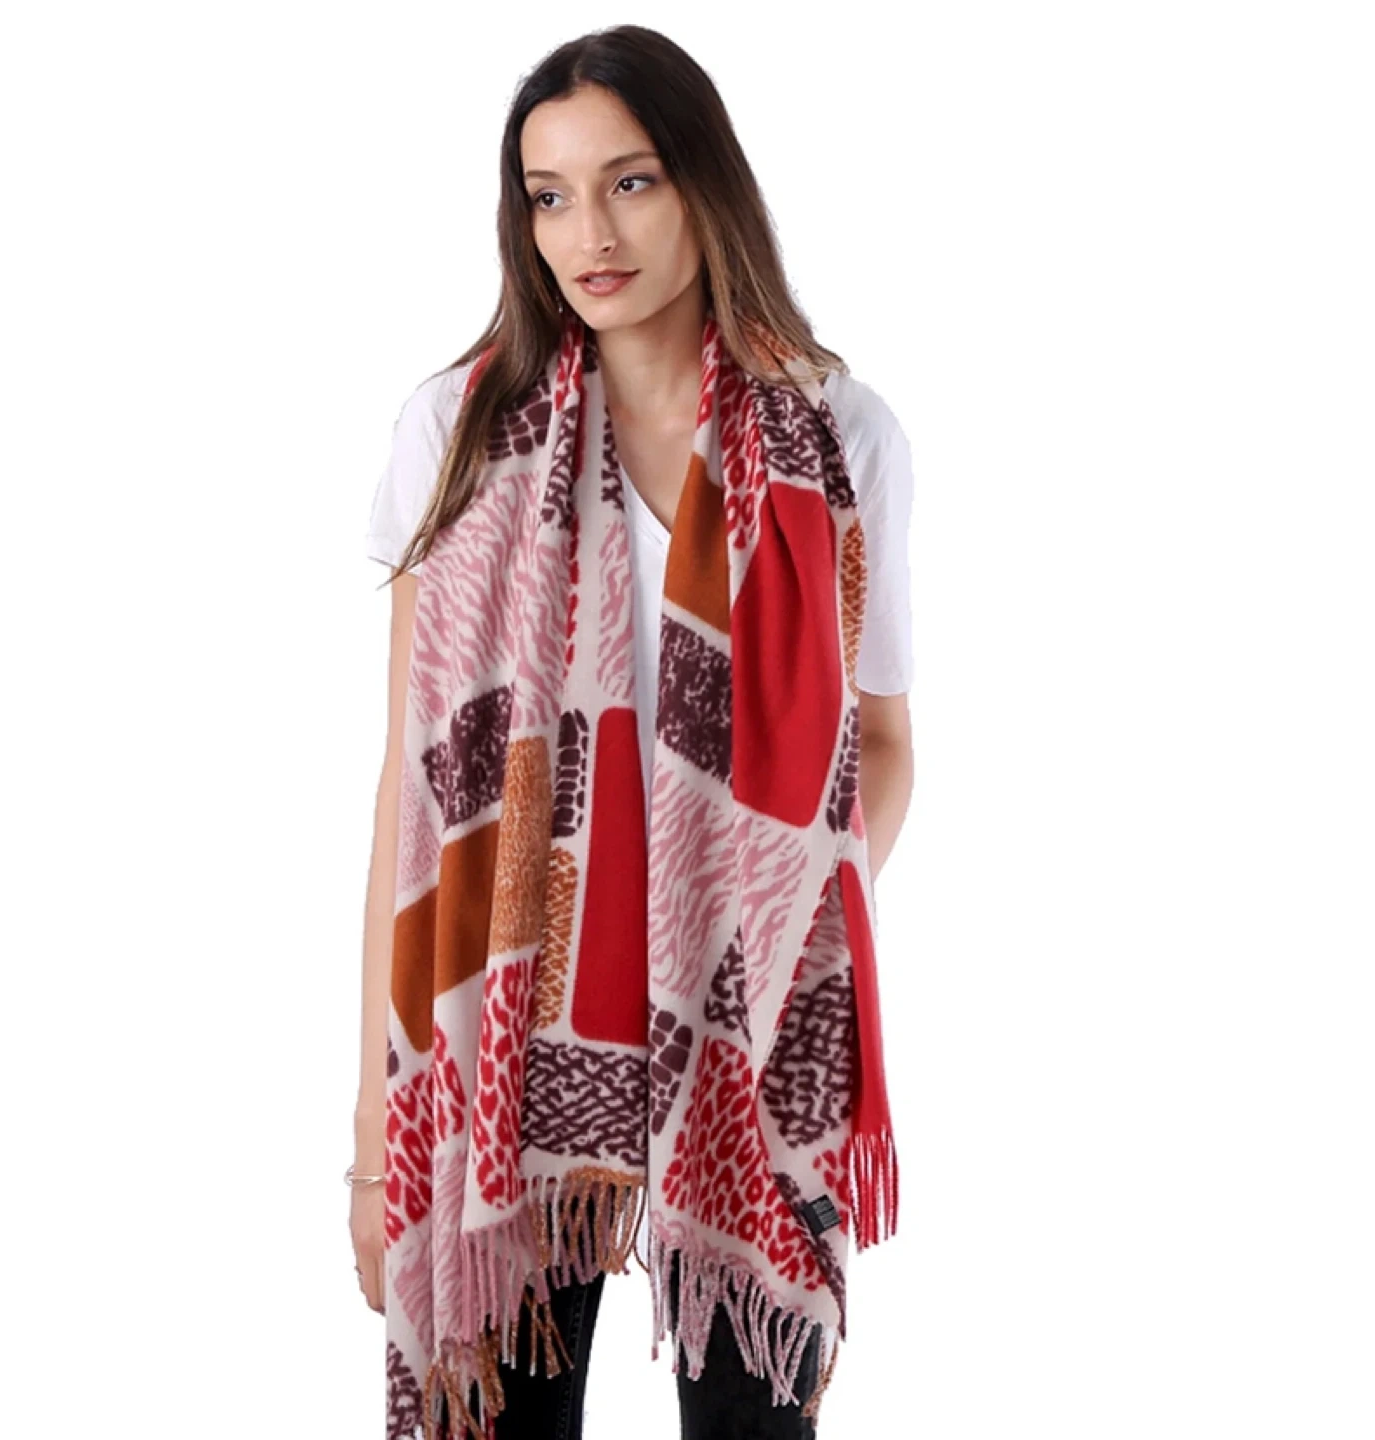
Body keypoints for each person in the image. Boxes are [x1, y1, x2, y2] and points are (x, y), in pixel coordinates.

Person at [351, 24, 915, 1440]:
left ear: (706, 184)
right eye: (549, 196)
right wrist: (371, 1134)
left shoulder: (839, 437)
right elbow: (416, 796)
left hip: (751, 1042)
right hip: (508, 1031)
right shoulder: (459, 430)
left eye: (631, 182)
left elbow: (883, 745)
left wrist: (771, 934)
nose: (588, 236)